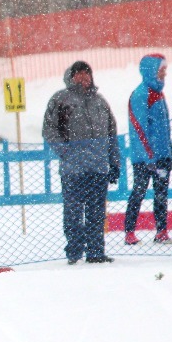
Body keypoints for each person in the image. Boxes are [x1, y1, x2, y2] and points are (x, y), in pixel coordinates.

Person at [42, 61, 120, 264]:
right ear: (71, 76)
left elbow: (112, 133)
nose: (84, 78)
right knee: (73, 212)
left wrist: (114, 162)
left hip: (98, 167)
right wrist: (65, 151)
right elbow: (49, 130)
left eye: (87, 74)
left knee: (96, 212)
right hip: (73, 170)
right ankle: (74, 251)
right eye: (80, 74)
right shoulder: (61, 100)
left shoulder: (100, 101)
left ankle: (96, 251)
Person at [123, 54, 172, 245]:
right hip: (144, 157)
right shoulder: (141, 95)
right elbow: (139, 128)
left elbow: (163, 127)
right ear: (151, 70)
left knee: (161, 193)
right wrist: (148, 156)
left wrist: (167, 152)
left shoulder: (158, 94)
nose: (164, 74)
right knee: (139, 191)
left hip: (161, 155)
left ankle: (161, 230)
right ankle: (129, 231)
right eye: (162, 70)